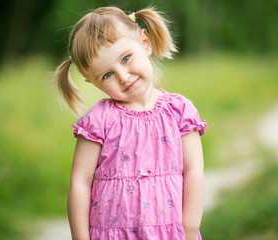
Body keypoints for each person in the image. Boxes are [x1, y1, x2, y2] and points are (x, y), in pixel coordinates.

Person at [54, 6, 207, 240]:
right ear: (93, 82)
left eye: (126, 59)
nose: (123, 77)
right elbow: (80, 183)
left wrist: (188, 227)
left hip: (171, 233)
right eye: (107, 75)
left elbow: (194, 171)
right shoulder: (98, 122)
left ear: (145, 43)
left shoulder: (180, 112)